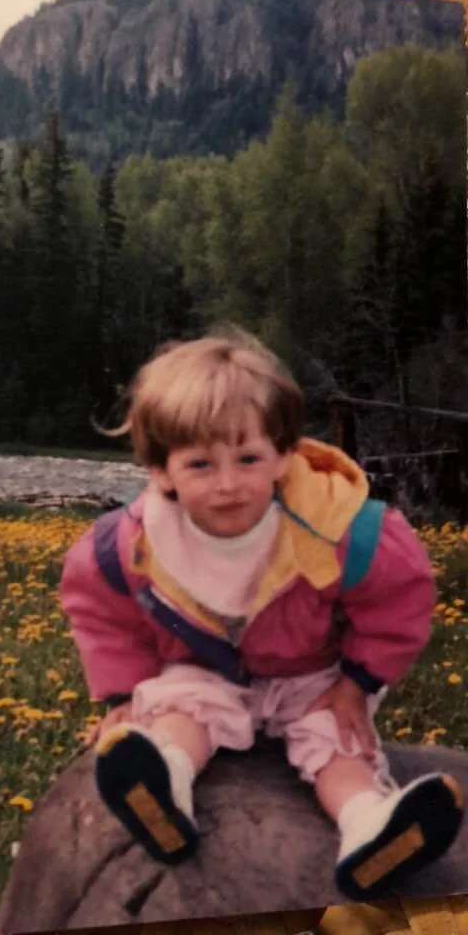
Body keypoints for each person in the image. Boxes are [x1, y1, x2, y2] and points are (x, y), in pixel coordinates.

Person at [59, 329, 463, 902]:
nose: (229, 483)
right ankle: (163, 783)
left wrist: (357, 682)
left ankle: (369, 824)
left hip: (312, 675)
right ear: (162, 471)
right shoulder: (131, 544)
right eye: (201, 464)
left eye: (248, 458)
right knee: (180, 707)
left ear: (283, 454)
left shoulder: (335, 527)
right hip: (204, 669)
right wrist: (122, 693)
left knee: (336, 740)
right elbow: (103, 611)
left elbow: (399, 597)